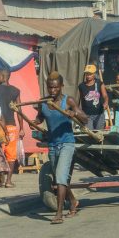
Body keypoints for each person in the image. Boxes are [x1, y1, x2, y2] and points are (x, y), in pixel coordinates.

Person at [33, 72, 88, 224]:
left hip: (67, 143)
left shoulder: (68, 101)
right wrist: (34, 122)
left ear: (61, 87)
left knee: (60, 176)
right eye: (50, 88)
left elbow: (85, 119)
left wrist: (74, 112)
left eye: (55, 88)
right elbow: (40, 118)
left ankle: (59, 214)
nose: (52, 91)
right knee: (60, 178)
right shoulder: (43, 102)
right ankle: (73, 202)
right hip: (52, 144)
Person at [0, 69, 24, 188]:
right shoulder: (16, 91)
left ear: (3, 76)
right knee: (11, 155)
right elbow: (19, 110)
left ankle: (1, 179)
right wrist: (22, 128)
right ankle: (8, 181)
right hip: (12, 127)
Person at [78, 64, 109, 130]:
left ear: (94, 74)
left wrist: (106, 102)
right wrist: (80, 112)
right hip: (87, 115)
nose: (88, 76)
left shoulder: (99, 83)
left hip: (99, 114)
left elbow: (105, 95)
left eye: (90, 74)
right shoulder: (81, 86)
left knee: (99, 133)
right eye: (87, 74)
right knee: (90, 134)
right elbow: (81, 99)